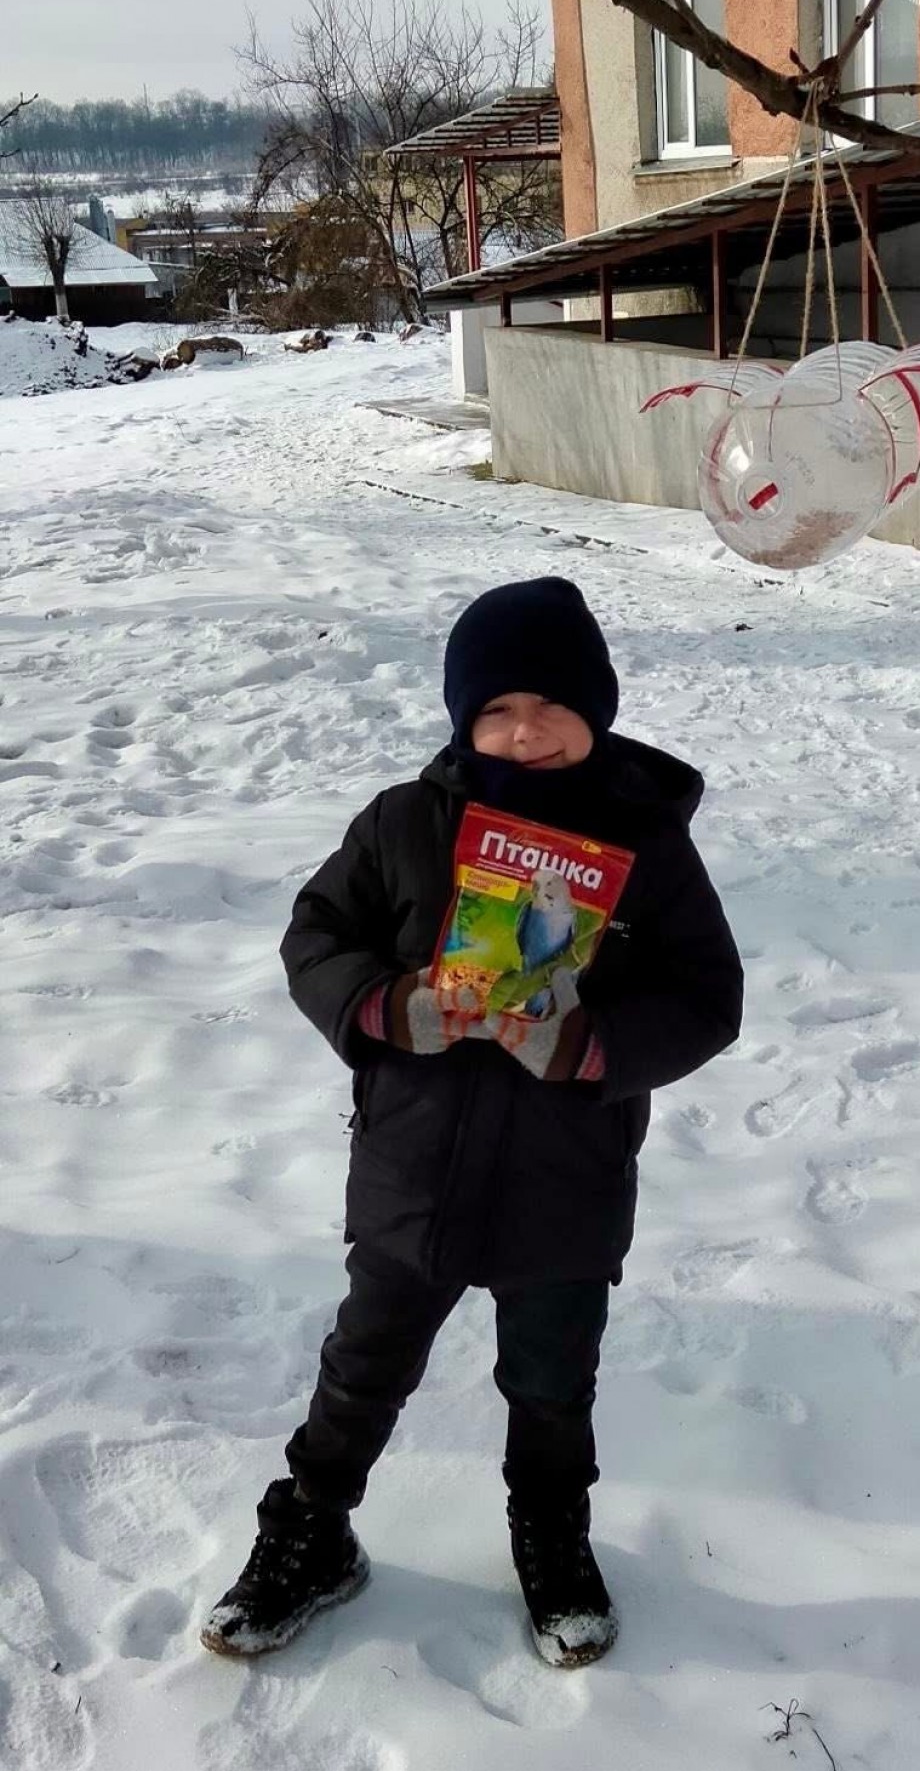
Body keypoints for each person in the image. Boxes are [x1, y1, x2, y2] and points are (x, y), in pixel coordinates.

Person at [200, 577, 743, 1667]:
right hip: (414, 1169)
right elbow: (316, 935)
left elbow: (707, 997)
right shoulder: (404, 822)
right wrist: (386, 1004)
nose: (525, 731)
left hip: (567, 1180)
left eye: (552, 705)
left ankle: (552, 1535)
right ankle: (311, 1530)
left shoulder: (642, 845)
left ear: (598, 708)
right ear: (463, 716)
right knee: (364, 1365)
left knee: (552, 1383)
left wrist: (592, 1044)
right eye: (497, 708)